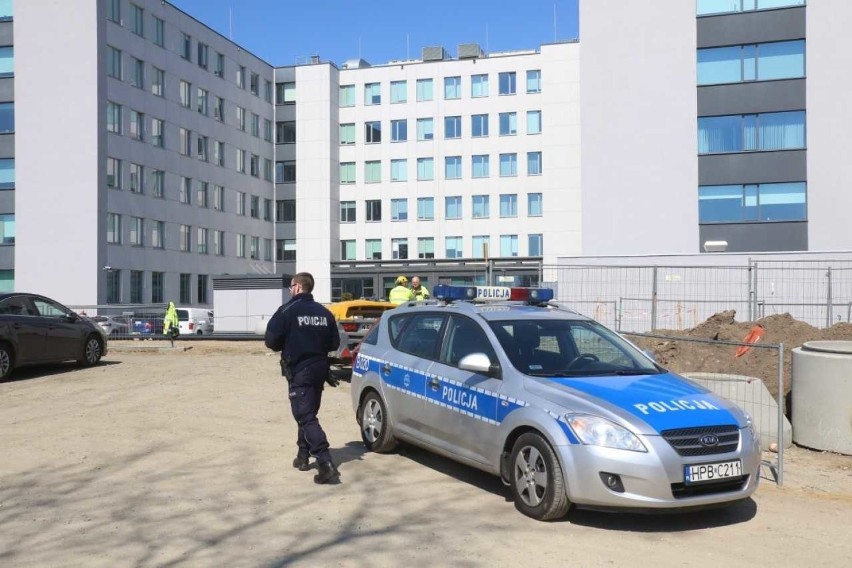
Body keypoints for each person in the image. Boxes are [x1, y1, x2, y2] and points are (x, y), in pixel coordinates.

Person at [265, 272, 342, 485]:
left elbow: (271, 340)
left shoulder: (287, 311)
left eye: (291, 287)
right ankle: (302, 456)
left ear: (298, 287)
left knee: (305, 415)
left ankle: (325, 462)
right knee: (308, 412)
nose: (290, 291)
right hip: (319, 368)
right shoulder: (325, 313)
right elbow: (334, 343)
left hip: (300, 369)